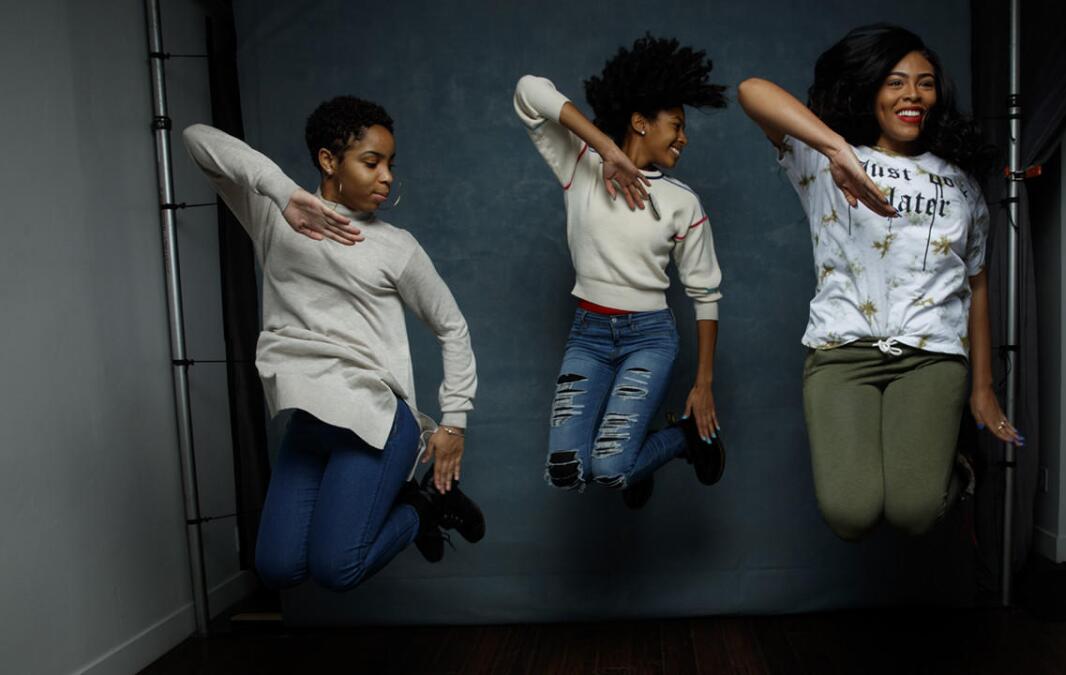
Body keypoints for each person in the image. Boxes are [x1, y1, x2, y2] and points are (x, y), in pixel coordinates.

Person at [182, 95, 483, 591]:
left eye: (390, 164)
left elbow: (453, 327)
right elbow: (198, 139)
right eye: (371, 162)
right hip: (309, 419)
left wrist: (454, 420)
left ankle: (426, 506)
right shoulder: (273, 215)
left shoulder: (396, 246)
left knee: (337, 568)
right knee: (278, 567)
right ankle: (421, 505)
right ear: (328, 160)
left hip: (375, 418)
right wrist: (281, 191)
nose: (386, 176)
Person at [737, 24, 1022, 540]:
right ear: (870, 89)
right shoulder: (822, 163)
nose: (912, 94)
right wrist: (836, 149)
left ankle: (959, 465)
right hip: (841, 354)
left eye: (925, 82)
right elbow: (751, 91)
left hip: (933, 356)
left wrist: (983, 389)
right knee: (851, 515)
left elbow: (976, 284)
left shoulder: (961, 183)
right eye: (895, 81)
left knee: (915, 512)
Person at [514, 35, 728, 508]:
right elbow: (529, 92)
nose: (684, 138)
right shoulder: (581, 166)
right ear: (640, 122)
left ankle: (682, 438)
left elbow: (705, 292)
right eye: (676, 125)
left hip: (648, 338)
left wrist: (704, 383)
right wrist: (607, 148)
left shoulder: (681, 202)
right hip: (588, 336)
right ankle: (643, 452)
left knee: (611, 472)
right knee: (566, 472)